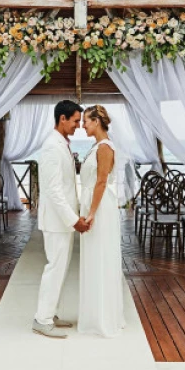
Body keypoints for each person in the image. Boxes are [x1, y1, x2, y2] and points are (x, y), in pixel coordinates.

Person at [33, 100, 91, 339]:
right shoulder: (51, 147)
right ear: (63, 119)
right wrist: (73, 219)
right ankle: (41, 319)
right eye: (76, 120)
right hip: (57, 221)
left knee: (60, 269)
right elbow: (53, 190)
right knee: (54, 268)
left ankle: (50, 313)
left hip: (62, 220)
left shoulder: (62, 144)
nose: (79, 125)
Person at [78, 105, 125, 337]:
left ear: (96, 121)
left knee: (101, 257)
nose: (82, 125)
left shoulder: (105, 147)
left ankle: (104, 318)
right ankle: (96, 313)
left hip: (101, 208)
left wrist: (93, 212)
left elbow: (101, 182)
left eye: (85, 121)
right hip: (93, 203)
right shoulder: (96, 146)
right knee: (94, 257)